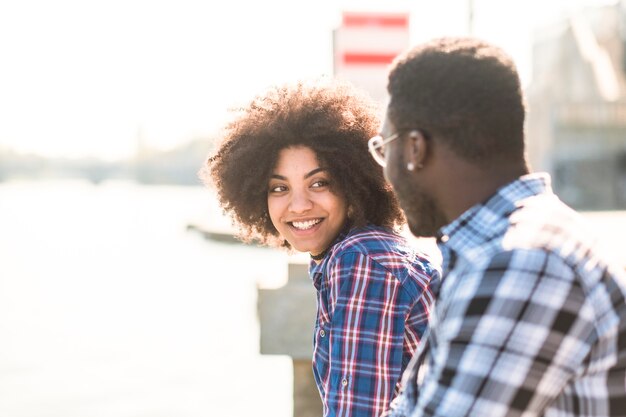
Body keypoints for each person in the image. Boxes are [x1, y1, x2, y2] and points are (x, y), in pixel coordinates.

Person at [367, 36, 626, 416]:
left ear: (414, 149)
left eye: (383, 149)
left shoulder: (523, 261)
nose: (385, 174)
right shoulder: (497, 249)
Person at [201, 79, 439, 417]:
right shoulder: (364, 253)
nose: (298, 205)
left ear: (354, 185)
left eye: (319, 183)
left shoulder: (362, 261)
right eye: (279, 188)